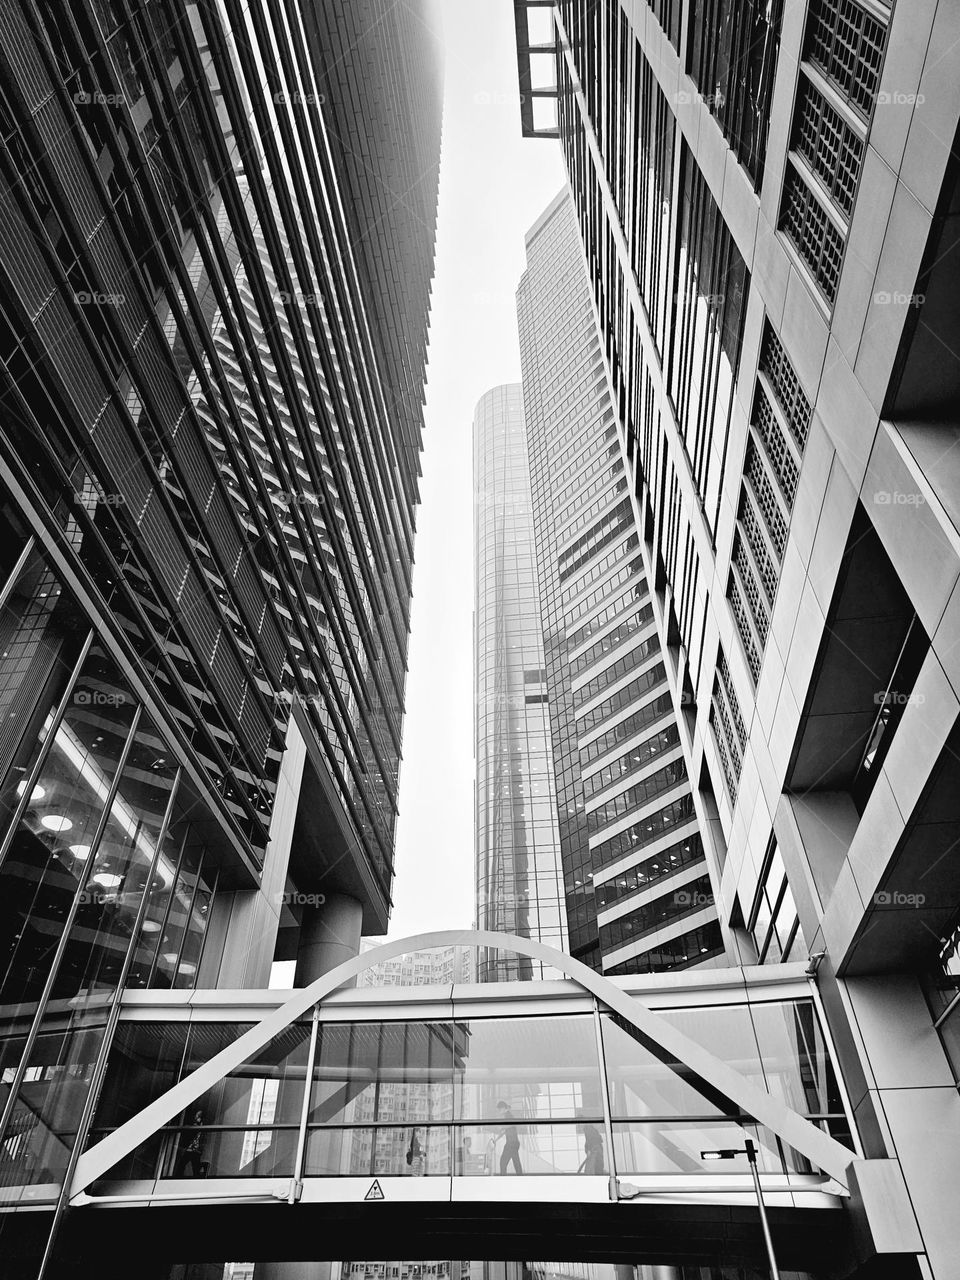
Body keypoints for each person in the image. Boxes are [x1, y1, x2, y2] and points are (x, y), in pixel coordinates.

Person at [175, 1109, 207, 1177]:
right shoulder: (201, 1126)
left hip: (193, 1149)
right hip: (194, 1149)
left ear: (201, 1118)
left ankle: (178, 1177)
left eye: (198, 1116)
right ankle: (202, 1167)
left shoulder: (199, 1126)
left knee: (183, 1165)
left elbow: (193, 1135)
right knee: (193, 1167)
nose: (195, 1117)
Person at [495, 1100, 523, 1175]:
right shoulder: (507, 1116)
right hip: (514, 1143)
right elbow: (504, 1131)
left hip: (511, 1143)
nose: (499, 1111)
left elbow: (512, 1123)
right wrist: (495, 1140)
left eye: (500, 1109)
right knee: (516, 1162)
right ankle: (521, 1177)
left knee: (503, 1162)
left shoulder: (508, 1115)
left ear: (504, 1108)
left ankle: (503, 1180)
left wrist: (501, 1126)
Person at [577, 1109, 605, 1175]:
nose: (579, 1126)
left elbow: (591, 1139)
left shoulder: (588, 1128)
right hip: (596, 1149)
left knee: (591, 1168)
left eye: (579, 1123)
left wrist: (589, 1149)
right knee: (594, 1166)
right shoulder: (588, 1128)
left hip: (595, 1149)